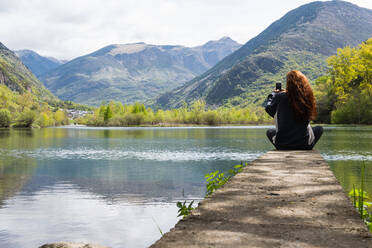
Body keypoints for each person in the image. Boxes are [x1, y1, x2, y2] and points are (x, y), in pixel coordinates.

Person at [265, 70, 323, 150]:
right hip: (304, 145)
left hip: (282, 145)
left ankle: (284, 145)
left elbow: (269, 110)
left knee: (270, 131)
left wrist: (273, 95)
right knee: (319, 129)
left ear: (288, 83)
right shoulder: (307, 98)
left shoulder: (280, 97)